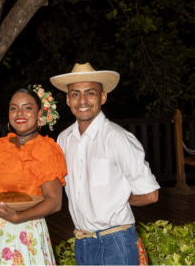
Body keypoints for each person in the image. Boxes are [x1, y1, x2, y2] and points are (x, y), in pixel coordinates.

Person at [51, 62, 159, 265]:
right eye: (75, 94)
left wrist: (117, 199)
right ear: (67, 99)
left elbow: (151, 195)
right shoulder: (64, 139)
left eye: (90, 93)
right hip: (82, 241)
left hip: (115, 242)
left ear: (103, 97)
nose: (82, 100)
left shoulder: (116, 138)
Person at [0, 87, 67, 265]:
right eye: (14, 108)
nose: (20, 113)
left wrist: (18, 218)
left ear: (39, 112)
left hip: (26, 230)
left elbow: (54, 202)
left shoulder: (46, 149)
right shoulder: (1, 146)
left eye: (27, 107)